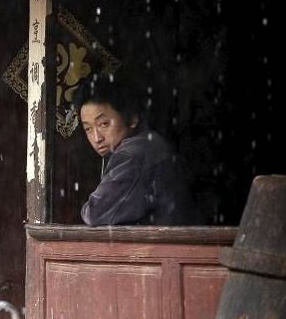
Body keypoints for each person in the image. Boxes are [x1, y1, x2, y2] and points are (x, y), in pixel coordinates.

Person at [75, 78, 199, 226]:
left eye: (103, 124)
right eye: (88, 129)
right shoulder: (150, 143)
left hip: (167, 246)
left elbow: (95, 213)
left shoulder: (132, 155)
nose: (96, 138)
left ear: (132, 118)